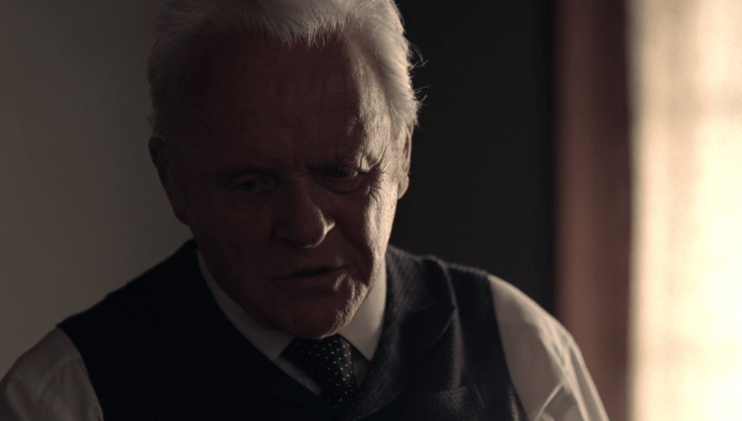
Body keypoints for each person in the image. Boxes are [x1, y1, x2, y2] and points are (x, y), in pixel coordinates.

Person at [0, 1, 608, 420]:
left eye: (341, 172)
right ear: (173, 181)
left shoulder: (519, 348)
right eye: (250, 184)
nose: (304, 227)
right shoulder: (67, 398)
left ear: (402, 153)